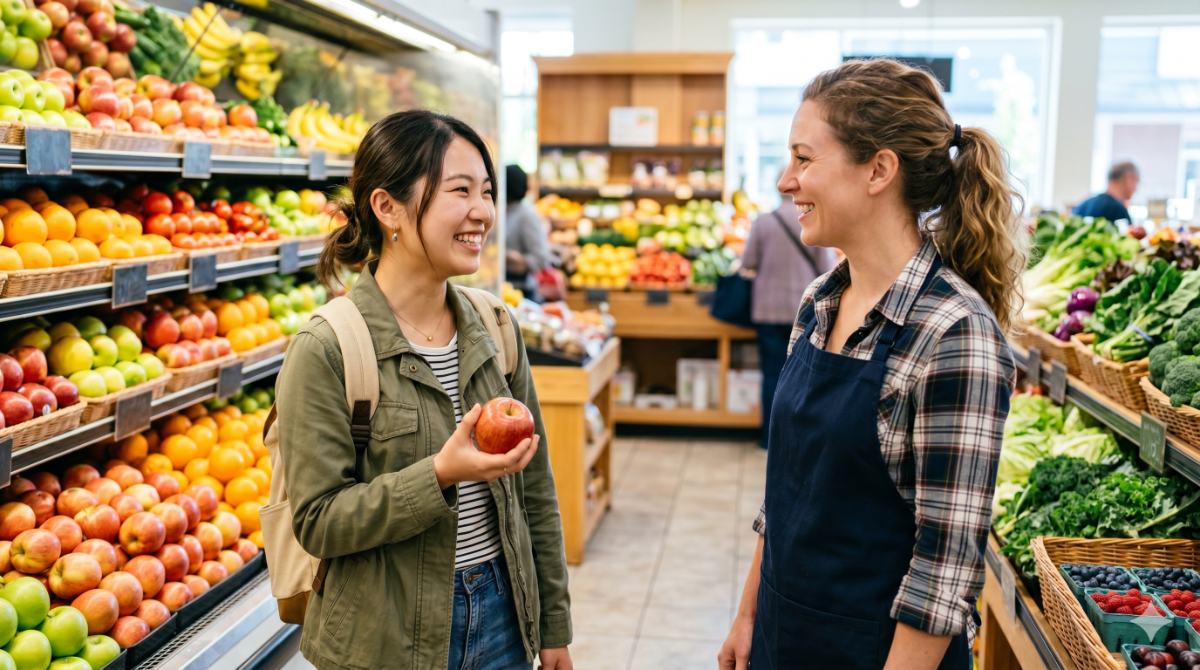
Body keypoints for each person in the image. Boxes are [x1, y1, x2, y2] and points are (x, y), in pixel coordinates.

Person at [719, 59, 1023, 670]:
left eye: (805, 158)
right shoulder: (820, 301)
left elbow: (945, 567)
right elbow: (786, 493)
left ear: (879, 169)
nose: (786, 180)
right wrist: (749, 614)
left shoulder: (954, 333)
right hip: (785, 630)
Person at [276, 111, 573, 670]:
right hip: (384, 638)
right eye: (460, 191)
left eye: (486, 192)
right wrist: (439, 475)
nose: (483, 211)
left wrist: (552, 625)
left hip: (504, 622)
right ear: (386, 207)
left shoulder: (496, 329)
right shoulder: (328, 347)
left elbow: (536, 492)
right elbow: (319, 520)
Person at [740, 198, 836, 445]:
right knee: (802, 374)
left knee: (771, 372)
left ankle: (769, 439)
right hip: (804, 312)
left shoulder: (762, 222)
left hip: (767, 310)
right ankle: (794, 439)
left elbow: (748, 262)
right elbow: (827, 266)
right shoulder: (814, 220)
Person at [505, 164, 553, 297]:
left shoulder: (526, 215)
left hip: (522, 290)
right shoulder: (502, 212)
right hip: (505, 288)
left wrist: (510, 258)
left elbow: (542, 258)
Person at [1073, 161, 1139, 223]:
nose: (1136, 189)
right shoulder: (1118, 211)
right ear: (1129, 179)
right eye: (1137, 182)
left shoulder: (1084, 204)